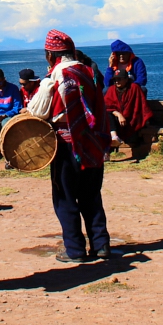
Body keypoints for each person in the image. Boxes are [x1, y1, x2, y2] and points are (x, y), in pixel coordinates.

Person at [28, 29, 111, 263]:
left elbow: (38, 111)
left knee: (64, 196)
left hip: (66, 146)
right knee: (91, 195)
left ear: (50, 54)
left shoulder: (55, 75)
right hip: (93, 142)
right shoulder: (89, 71)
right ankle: (101, 244)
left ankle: (74, 249)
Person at [104, 69, 152, 149]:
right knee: (107, 114)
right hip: (115, 121)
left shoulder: (134, 88)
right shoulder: (111, 90)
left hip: (131, 121)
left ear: (126, 79)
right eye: (115, 80)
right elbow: (106, 106)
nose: (117, 82)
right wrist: (118, 114)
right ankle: (114, 137)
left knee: (132, 140)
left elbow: (141, 105)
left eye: (119, 79)